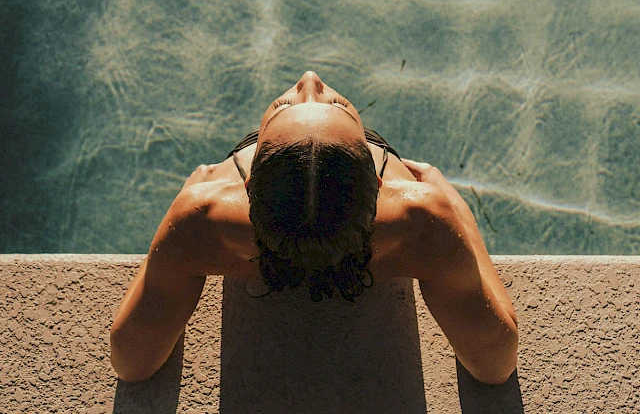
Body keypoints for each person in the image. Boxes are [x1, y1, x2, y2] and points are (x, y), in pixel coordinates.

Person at [110, 71, 518, 386]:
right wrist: (451, 204)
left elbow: (131, 363)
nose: (309, 81)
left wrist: (181, 210)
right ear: (379, 186)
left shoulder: (203, 219)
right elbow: (495, 364)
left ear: (249, 183)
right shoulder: (422, 219)